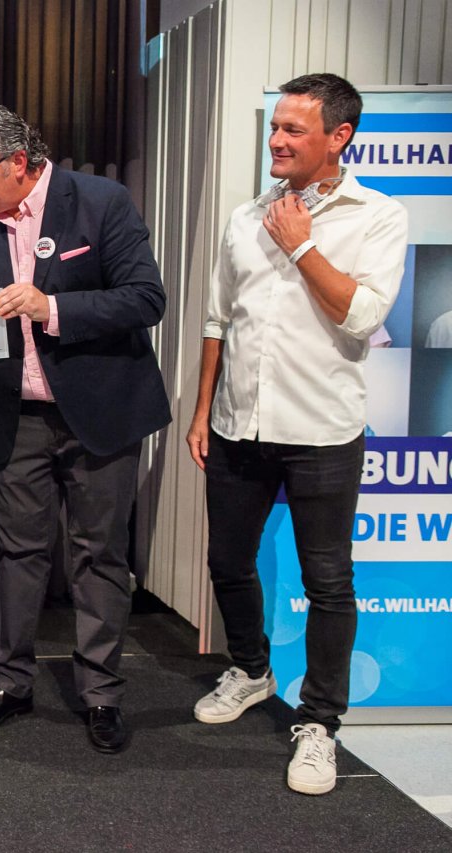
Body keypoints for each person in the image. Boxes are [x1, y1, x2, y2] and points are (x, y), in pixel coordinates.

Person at [186, 73, 407, 795]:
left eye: (293, 130)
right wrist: (202, 410)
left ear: (339, 136)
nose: (276, 141)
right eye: (275, 127)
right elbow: (219, 319)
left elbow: (363, 317)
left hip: (322, 432)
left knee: (328, 581)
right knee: (227, 561)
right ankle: (251, 669)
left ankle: (319, 724)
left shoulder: (379, 216)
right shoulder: (245, 215)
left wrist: (303, 247)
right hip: (236, 425)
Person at [0, 106, 170, 753]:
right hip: (18, 416)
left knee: (99, 554)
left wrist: (53, 307)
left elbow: (146, 298)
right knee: (19, 554)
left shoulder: (100, 202)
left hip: (101, 412)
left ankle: (101, 692)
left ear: (19, 162)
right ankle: (10, 680)